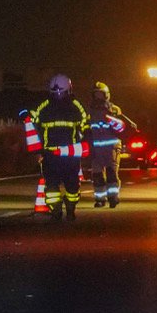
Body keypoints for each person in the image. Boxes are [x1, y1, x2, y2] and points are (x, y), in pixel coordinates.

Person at [29, 74, 89, 222]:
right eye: (56, 93)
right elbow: (34, 129)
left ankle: (70, 208)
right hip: (51, 155)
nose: (58, 95)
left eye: (60, 92)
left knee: (72, 185)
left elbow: (86, 126)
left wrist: (86, 145)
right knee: (51, 186)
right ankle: (56, 210)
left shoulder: (75, 106)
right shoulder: (45, 107)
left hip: (69, 154)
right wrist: (37, 151)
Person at [86, 81, 137, 208]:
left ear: (106, 95)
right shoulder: (89, 111)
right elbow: (85, 128)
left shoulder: (114, 109)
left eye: (100, 94)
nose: (98, 97)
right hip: (96, 147)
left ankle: (113, 197)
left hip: (111, 146)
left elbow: (124, 125)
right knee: (97, 174)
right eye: (96, 95)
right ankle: (100, 198)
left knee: (111, 173)